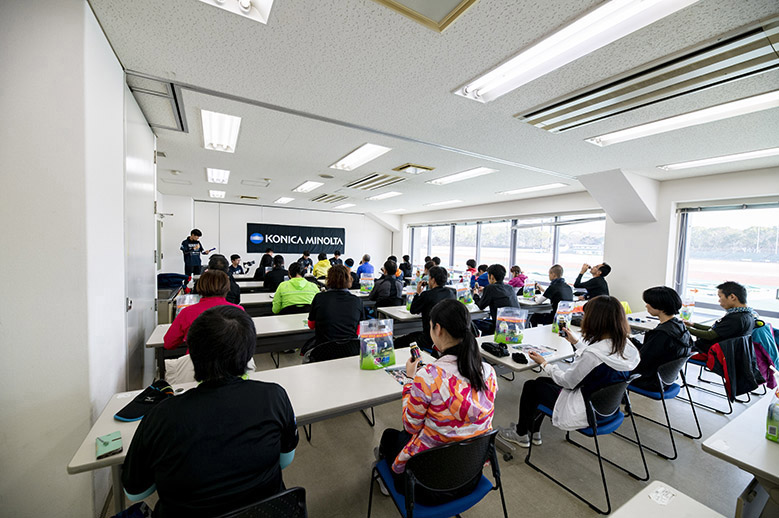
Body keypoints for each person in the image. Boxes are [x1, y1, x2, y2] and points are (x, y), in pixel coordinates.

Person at [123, 305, 298, 517]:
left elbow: (136, 490)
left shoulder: (161, 416)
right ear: (249, 353)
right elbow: (285, 460)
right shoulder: (274, 397)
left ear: (192, 354)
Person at [377, 299, 497, 504]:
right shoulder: (488, 372)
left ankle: (387, 481)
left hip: (426, 486)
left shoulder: (429, 376)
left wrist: (409, 380)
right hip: (469, 477)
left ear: (438, 329)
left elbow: (410, 426)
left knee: (390, 437)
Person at [500, 296, 639, 447]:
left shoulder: (592, 355)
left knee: (532, 386)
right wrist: (576, 343)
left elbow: (566, 382)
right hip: (605, 406)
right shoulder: (627, 346)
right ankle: (533, 431)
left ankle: (521, 434)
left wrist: (545, 363)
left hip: (586, 408)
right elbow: (599, 358)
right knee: (539, 383)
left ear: (595, 320)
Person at [630, 287, 692, 390]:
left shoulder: (662, 334)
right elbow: (650, 351)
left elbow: (642, 360)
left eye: (649, 302)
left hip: (649, 380)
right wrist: (632, 341)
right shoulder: (679, 325)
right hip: (666, 379)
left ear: (660, 307)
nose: (646, 305)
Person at [164, 270, 244, 350]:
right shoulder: (238, 310)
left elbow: (169, 343)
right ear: (227, 288)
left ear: (200, 286)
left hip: (196, 360)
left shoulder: (187, 312)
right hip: (231, 360)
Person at [686, 281, 756, 353]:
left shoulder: (734, 318)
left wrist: (683, 327)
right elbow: (716, 330)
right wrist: (692, 325)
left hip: (715, 353)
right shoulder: (749, 315)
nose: (719, 300)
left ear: (732, 297)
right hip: (730, 354)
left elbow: (710, 335)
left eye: (720, 296)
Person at [306, 265, 365, 348]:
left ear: (329, 279)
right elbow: (358, 330)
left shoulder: (319, 298)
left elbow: (311, 325)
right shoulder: (357, 301)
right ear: (349, 279)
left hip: (323, 350)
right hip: (349, 350)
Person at [409, 266, 456, 352]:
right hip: (447, 337)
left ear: (433, 280)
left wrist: (418, 293)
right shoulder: (451, 293)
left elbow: (413, 310)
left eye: (429, 278)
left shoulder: (427, 295)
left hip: (430, 338)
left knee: (401, 341)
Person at [472, 264, 520, 335]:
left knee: (473, 321)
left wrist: (475, 294)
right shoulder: (509, 287)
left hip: (501, 327)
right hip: (515, 326)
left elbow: (480, 306)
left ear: (491, 276)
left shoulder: (490, 288)